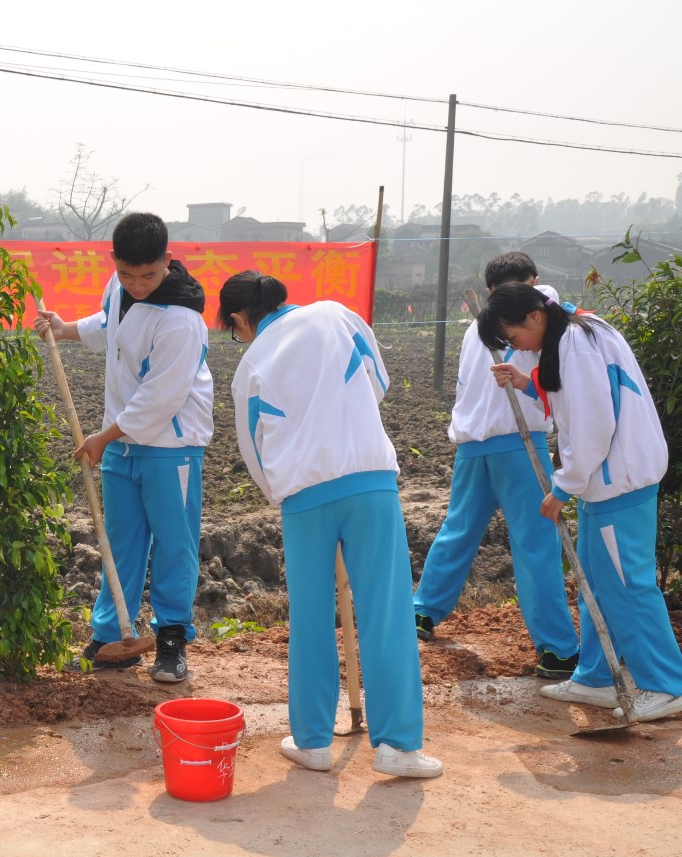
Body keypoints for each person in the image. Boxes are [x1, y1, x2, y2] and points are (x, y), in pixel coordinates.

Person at [223, 271, 441, 779]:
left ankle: (313, 741)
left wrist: (285, 486)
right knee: (386, 610)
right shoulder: (336, 314)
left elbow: (253, 449)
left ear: (239, 318)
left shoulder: (251, 364)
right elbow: (378, 383)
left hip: (302, 497)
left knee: (311, 617)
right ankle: (399, 748)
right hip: (369, 481)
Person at [483, 282, 682, 723]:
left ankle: (667, 684)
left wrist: (562, 487)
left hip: (618, 481)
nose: (519, 347)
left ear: (533, 317)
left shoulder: (578, 344)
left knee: (628, 584)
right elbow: (573, 397)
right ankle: (594, 676)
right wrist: (526, 383)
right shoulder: (575, 334)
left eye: (515, 338)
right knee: (596, 578)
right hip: (606, 483)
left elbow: (592, 426)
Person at [35, 212, 212, 682]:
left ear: (167, 263)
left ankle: (172, 637)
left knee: (174, 545)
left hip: (169, 446)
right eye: (127, 274)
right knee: (121, 542)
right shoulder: (120, 291)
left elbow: (161, 398)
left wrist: (103, 437)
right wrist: (65, 327)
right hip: (120, 444)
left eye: (148, 275)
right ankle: (113, 635)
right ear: (113, 263)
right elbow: (108, 327)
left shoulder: (181, 321)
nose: (137, 284)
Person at [413, 252, 579, 679]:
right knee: (536, 543)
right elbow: (547, 300)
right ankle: (558, 650)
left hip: (473, 446)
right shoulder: (536, 306)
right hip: (518, 444)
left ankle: (422, 612)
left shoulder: (479, 325)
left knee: (458, 530)